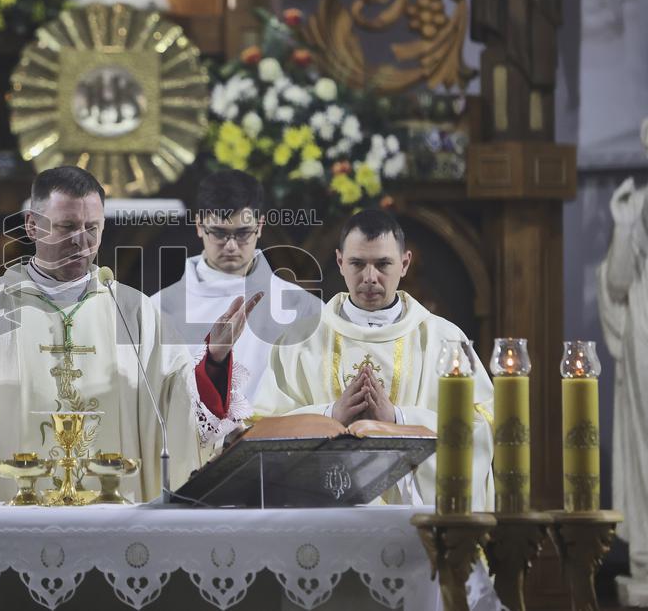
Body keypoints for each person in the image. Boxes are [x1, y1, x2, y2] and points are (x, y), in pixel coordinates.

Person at [0, 166, 218, 504]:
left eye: (92, 228)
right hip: (14, 516)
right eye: (67, 226)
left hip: (112, 516)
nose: (81, 240)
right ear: (32, 226)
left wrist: (217, 359)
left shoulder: (135, 312)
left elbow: (180, 405)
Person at [205, 209, 495, 509]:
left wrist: (397, 420)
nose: (370, 278)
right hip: (322, 517)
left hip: (414, 523)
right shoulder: (299, 339)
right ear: (340, 262)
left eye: (383, 264)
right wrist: (330, 415)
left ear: (405, 263)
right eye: (357, 263)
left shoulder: (444, 339)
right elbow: (263, 429)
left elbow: (480, 428)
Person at [153, 171, 322, 411]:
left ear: (259, 226)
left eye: (243, 233)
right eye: (219, 233)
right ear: (199, 226)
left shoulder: (303, 307)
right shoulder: (158, 309)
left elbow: (318, 393)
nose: (231, 246)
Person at [598, 175, 648, 600]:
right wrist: (625, 224)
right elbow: (616, 282)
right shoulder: (635, 204)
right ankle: (645, 556)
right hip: (643, 329)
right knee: (643, 441)